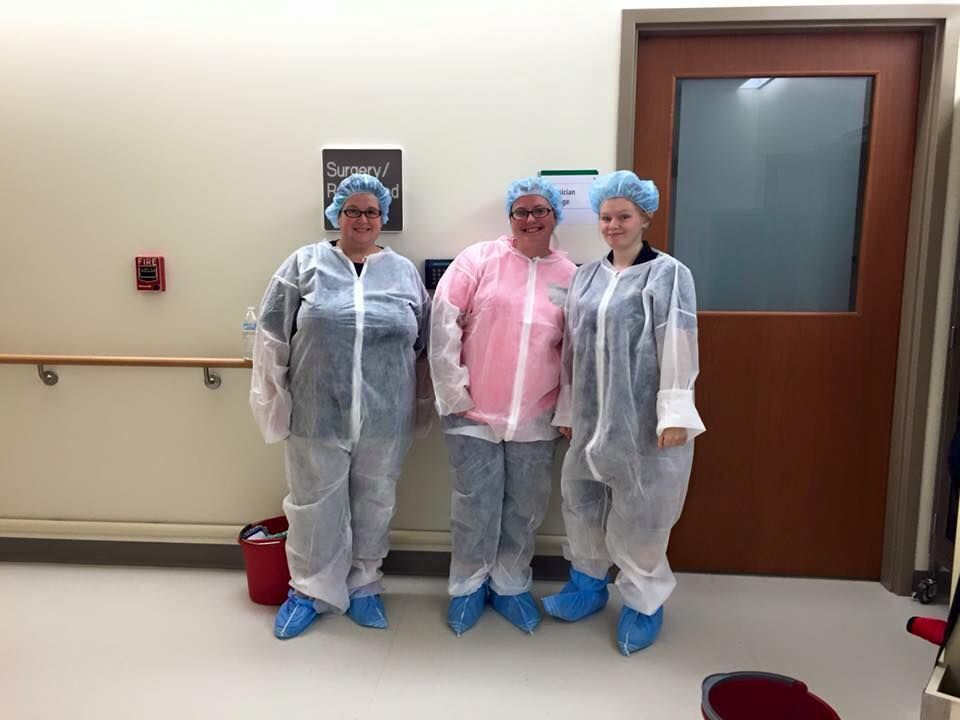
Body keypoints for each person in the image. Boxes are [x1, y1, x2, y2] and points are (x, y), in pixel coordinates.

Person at [250, 173, 431, 639]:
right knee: (313, 505)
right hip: (315, 413)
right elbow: (271, 336)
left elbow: (424, 342)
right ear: (337, 215)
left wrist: (422, 407)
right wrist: (274, 404)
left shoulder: (403, 271)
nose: (363, 219)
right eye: (353, 210)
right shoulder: (304, 263)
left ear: (383, 217)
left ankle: (365, 584)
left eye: (372, 211)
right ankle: (309, 590)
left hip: (385, 416)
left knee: (376, 501)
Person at [542, 170, 705, 655]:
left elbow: (679, 343)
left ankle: (643, 602)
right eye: (605, 217)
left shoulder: (668, 274)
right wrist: (568, 409)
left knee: (643, 515)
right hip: (590, 422)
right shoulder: (587, 276)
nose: (612, 226)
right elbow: (572, 348)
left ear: (645, 217)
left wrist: (675, 412)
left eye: (623, 216)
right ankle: (587, 586)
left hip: (644, 424)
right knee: (581, 500)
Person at [430, 177, 577, 635]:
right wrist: (453, 393)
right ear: (509, 218)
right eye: (520, 211)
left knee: (525, 507)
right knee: (475, 505)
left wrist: (568, 409)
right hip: (473, 412)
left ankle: (511, 585)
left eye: (540, 210)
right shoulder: (479, 260)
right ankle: (468, 587)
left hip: (537, 415)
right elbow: (443, 322)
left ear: (555, 215)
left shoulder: (571, 275)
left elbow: (576, 352)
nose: (530, 219)